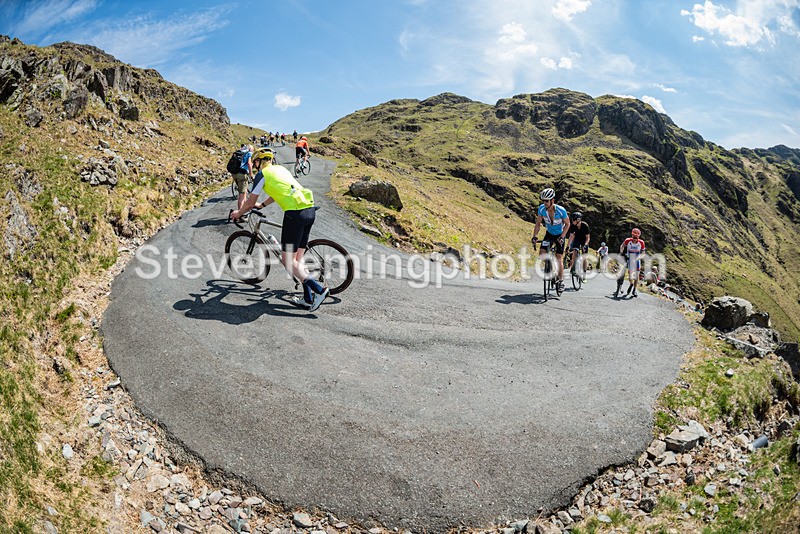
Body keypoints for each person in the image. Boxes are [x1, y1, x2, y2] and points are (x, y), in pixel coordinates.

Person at [229, 148, 329, 312]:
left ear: (258, 162)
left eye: (255, 163)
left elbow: (248, 202)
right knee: (297, 260)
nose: (254, 167)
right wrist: (262, 205)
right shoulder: (280, 169)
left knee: (287, 261)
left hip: (295, 213)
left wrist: (238, 213)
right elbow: (278, 193)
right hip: (309, 210)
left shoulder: (262, 174)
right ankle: (307, 298)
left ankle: (319, 290)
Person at [531, 188, 570, 293]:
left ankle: (560, 281)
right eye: (543, 201)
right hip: (549, 234)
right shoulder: (541, 209)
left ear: (552, 200)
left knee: (559, 257)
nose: (544, 203)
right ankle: (551, 267)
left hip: (559, 235)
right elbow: (538, 224)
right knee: (542, 254)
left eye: (546, 201)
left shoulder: (561, 210)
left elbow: (567, 224)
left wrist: (562, 236)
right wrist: (535, 236)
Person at [615, 228, 646, 298]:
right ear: (632, 235)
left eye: (636, 237)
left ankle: (634, 290)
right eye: (633, 237)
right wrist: (621, 252)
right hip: (629, 258)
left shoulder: (641, 242)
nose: (634, 239)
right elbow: (622, 246)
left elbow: (643, 253)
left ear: (638, 237)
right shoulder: (628, 240)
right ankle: (631, 284)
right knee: (631, 276)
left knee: (637, 276)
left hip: (637, 259)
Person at [566, 212, 590, 280]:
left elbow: (588, 238)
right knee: (574, 250)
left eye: (573, 220)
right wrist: (568, 246)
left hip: (584, 240)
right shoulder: (573, 226)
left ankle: (584, 273)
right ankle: (573, 267)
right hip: (577, 239)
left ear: (578, 220)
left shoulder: (585, 225)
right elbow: (571, 237)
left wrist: (585, 245)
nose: (572, 221)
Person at [232, 144, 254, 212]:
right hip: (242, 174)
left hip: (235, 174)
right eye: (252, 150)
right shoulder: (249, 153)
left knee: (243, 193)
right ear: (250, 149)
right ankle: (240, 214)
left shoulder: (239, 152)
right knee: (242, 195)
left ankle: (243, 212)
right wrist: (251, 175)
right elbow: (249, 163)